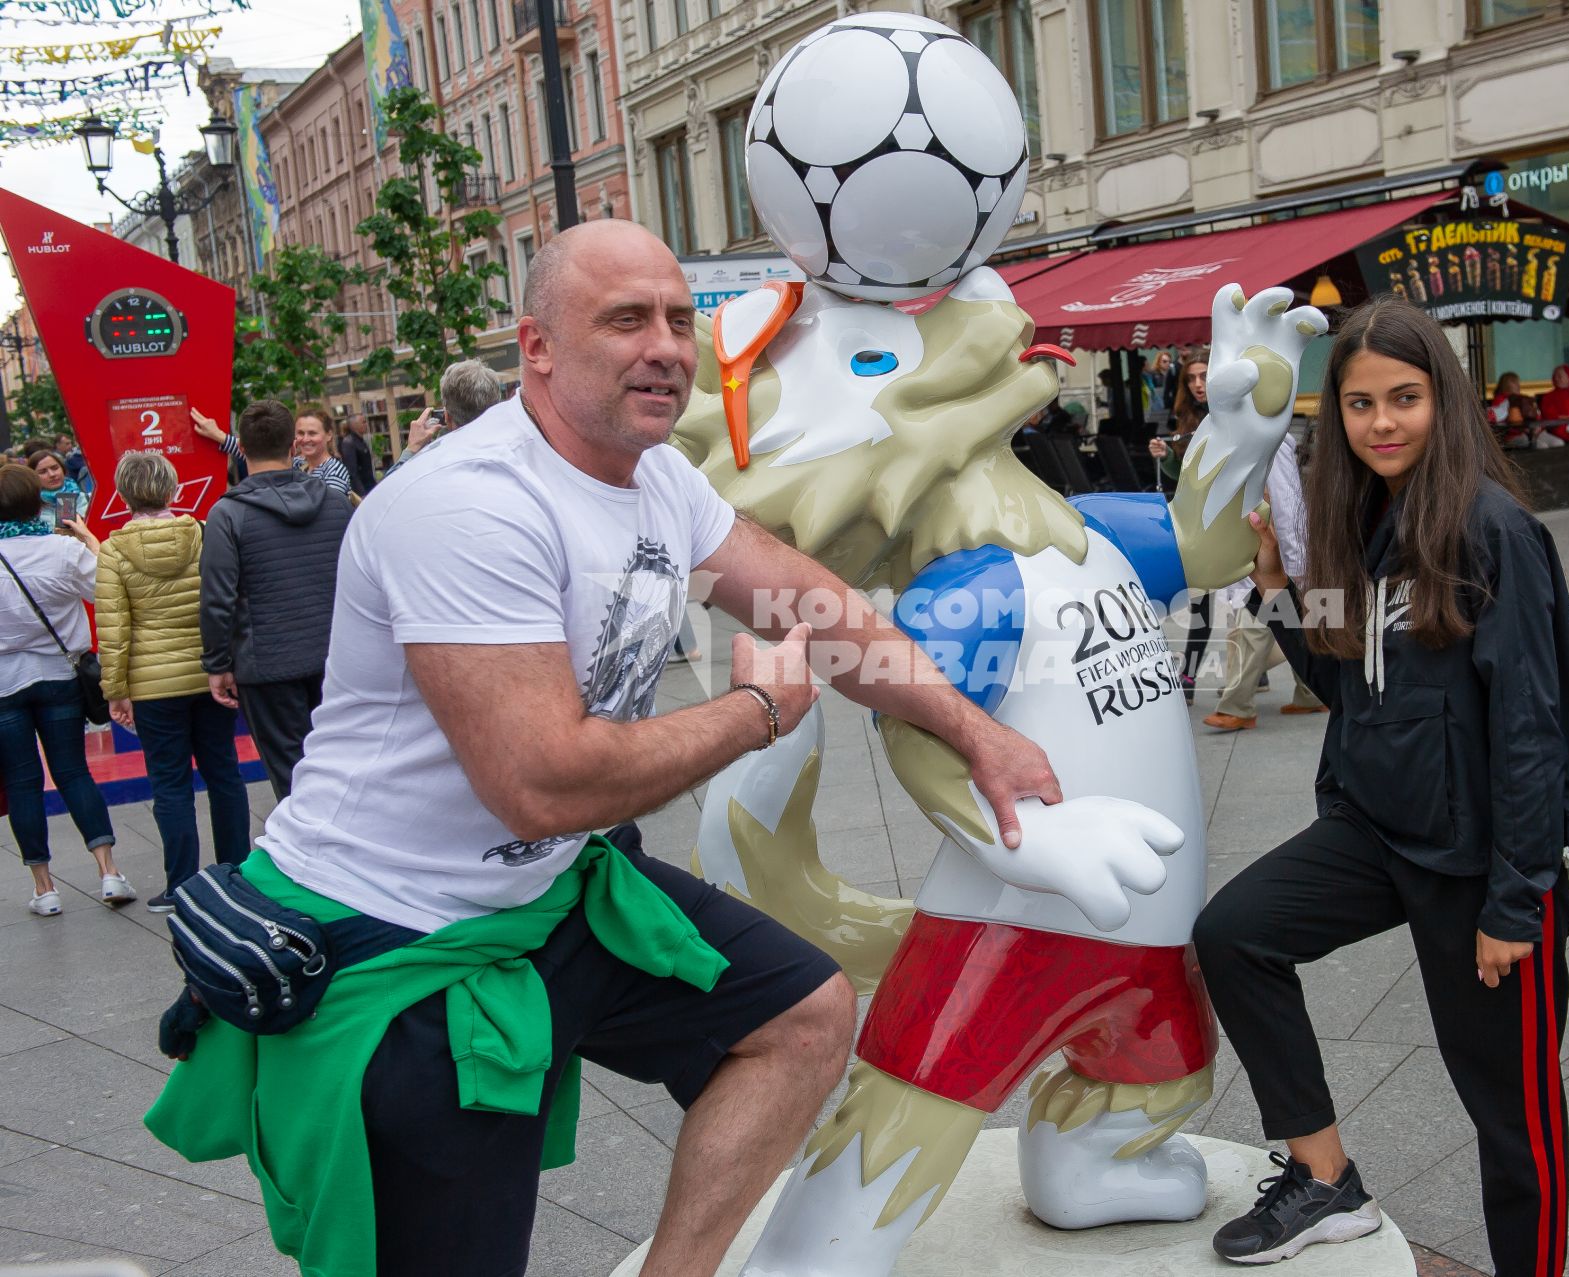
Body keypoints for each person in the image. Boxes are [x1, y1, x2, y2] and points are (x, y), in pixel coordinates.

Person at [145, 220, 1063, 1277]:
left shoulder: (661, 478)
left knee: (800, 1014)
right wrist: (755, 713)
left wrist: (976, 732)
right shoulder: (469, 503)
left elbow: (819, 606)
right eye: (625, 318)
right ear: (534, 346)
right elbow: (542, 782)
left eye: (680, 318)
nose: (666, 345)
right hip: (398, 944)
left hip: (552, 895)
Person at [1192, 297, 1569, 1271]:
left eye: (1405, 397)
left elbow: (1527, 727)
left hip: (1485, 867)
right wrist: (1274, 592)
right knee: (1236, 933)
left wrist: (1517, 901)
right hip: (1379, 830)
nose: (1382, 421)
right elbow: (1349, 684)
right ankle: (1325, 1178)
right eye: (1359, 403)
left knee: (1513, 1120)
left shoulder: (1491, 528)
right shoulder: (1365, 522)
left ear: (1444, 399)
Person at [96, 451, 252, 913]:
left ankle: (181, 884)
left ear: (123, 495)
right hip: (210, 673)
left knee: (170, 784)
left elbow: (114, 630)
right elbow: (227, 599)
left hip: (152, 685)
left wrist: (115, 690)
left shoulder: (112, 550)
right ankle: (236, 875)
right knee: (224, 772)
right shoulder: (204, 534)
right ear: (172, 489)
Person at [197, 402, 353, 801]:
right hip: (334, 656)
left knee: (291, 775)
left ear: (242, 448)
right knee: (344, 765)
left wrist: (217, 664)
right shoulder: (337, 504)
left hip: (265, 663)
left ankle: (308, 854)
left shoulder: (228, 514)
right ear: (292, 444)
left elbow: (218, 596)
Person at [0, 464, 132, 914]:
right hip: (60, 674)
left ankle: (44, 888)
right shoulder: (62, 550)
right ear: (39, 503)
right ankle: (108, 871)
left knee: (22, 782)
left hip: (4, 683)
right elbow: (108, 591)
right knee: (74, 772)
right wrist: (89, 540)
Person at [1203, 452, 1326, 732]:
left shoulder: (1266, 444)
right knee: (1300, 627)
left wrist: (1291, 557)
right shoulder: (1267, 440)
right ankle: (1310, 695)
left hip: (1273, 558)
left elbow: (1284, 502)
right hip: (1279, 556)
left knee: (1254, 632)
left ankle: (1236, 707)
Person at [1151, 348, 1214, 694]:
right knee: (1201, 597)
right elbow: (1181, 476)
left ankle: (1293, 668)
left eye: (1204, 376)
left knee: (1261, 596)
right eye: (1190, 379)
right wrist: (1166, 456)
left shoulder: (1228, 413)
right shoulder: (1187, 418)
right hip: (1197, 519)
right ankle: (1188, 678)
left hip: (1229, 515)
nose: (1197, 385)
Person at [390, 359, 506, 472]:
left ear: (447, 417)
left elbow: (388, 488)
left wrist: (412, 448)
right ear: (495, 409)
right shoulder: (514, 451)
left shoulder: (433, 467)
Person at [291, 410, 353, 497]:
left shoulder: (335, 471)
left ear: (329, 435)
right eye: (300, 433)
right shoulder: (295, 463)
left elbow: (329, 507)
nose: (305, 439)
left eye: (312, 433)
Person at [28, 448, 87, 529]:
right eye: (43, 472)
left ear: (63, 469)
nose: (52, 474)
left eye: (55, 468)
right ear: (32, 477)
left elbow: (67, 532)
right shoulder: (30, 507)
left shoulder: (87, 498)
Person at [338, 412, 378, 497]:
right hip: (362, 489)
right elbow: (352, 472)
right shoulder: (349, 442)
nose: (366, 424)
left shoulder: (361, 441)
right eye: (363, 422)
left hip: (369, 485)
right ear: (355, 425)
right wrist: (361, 493)